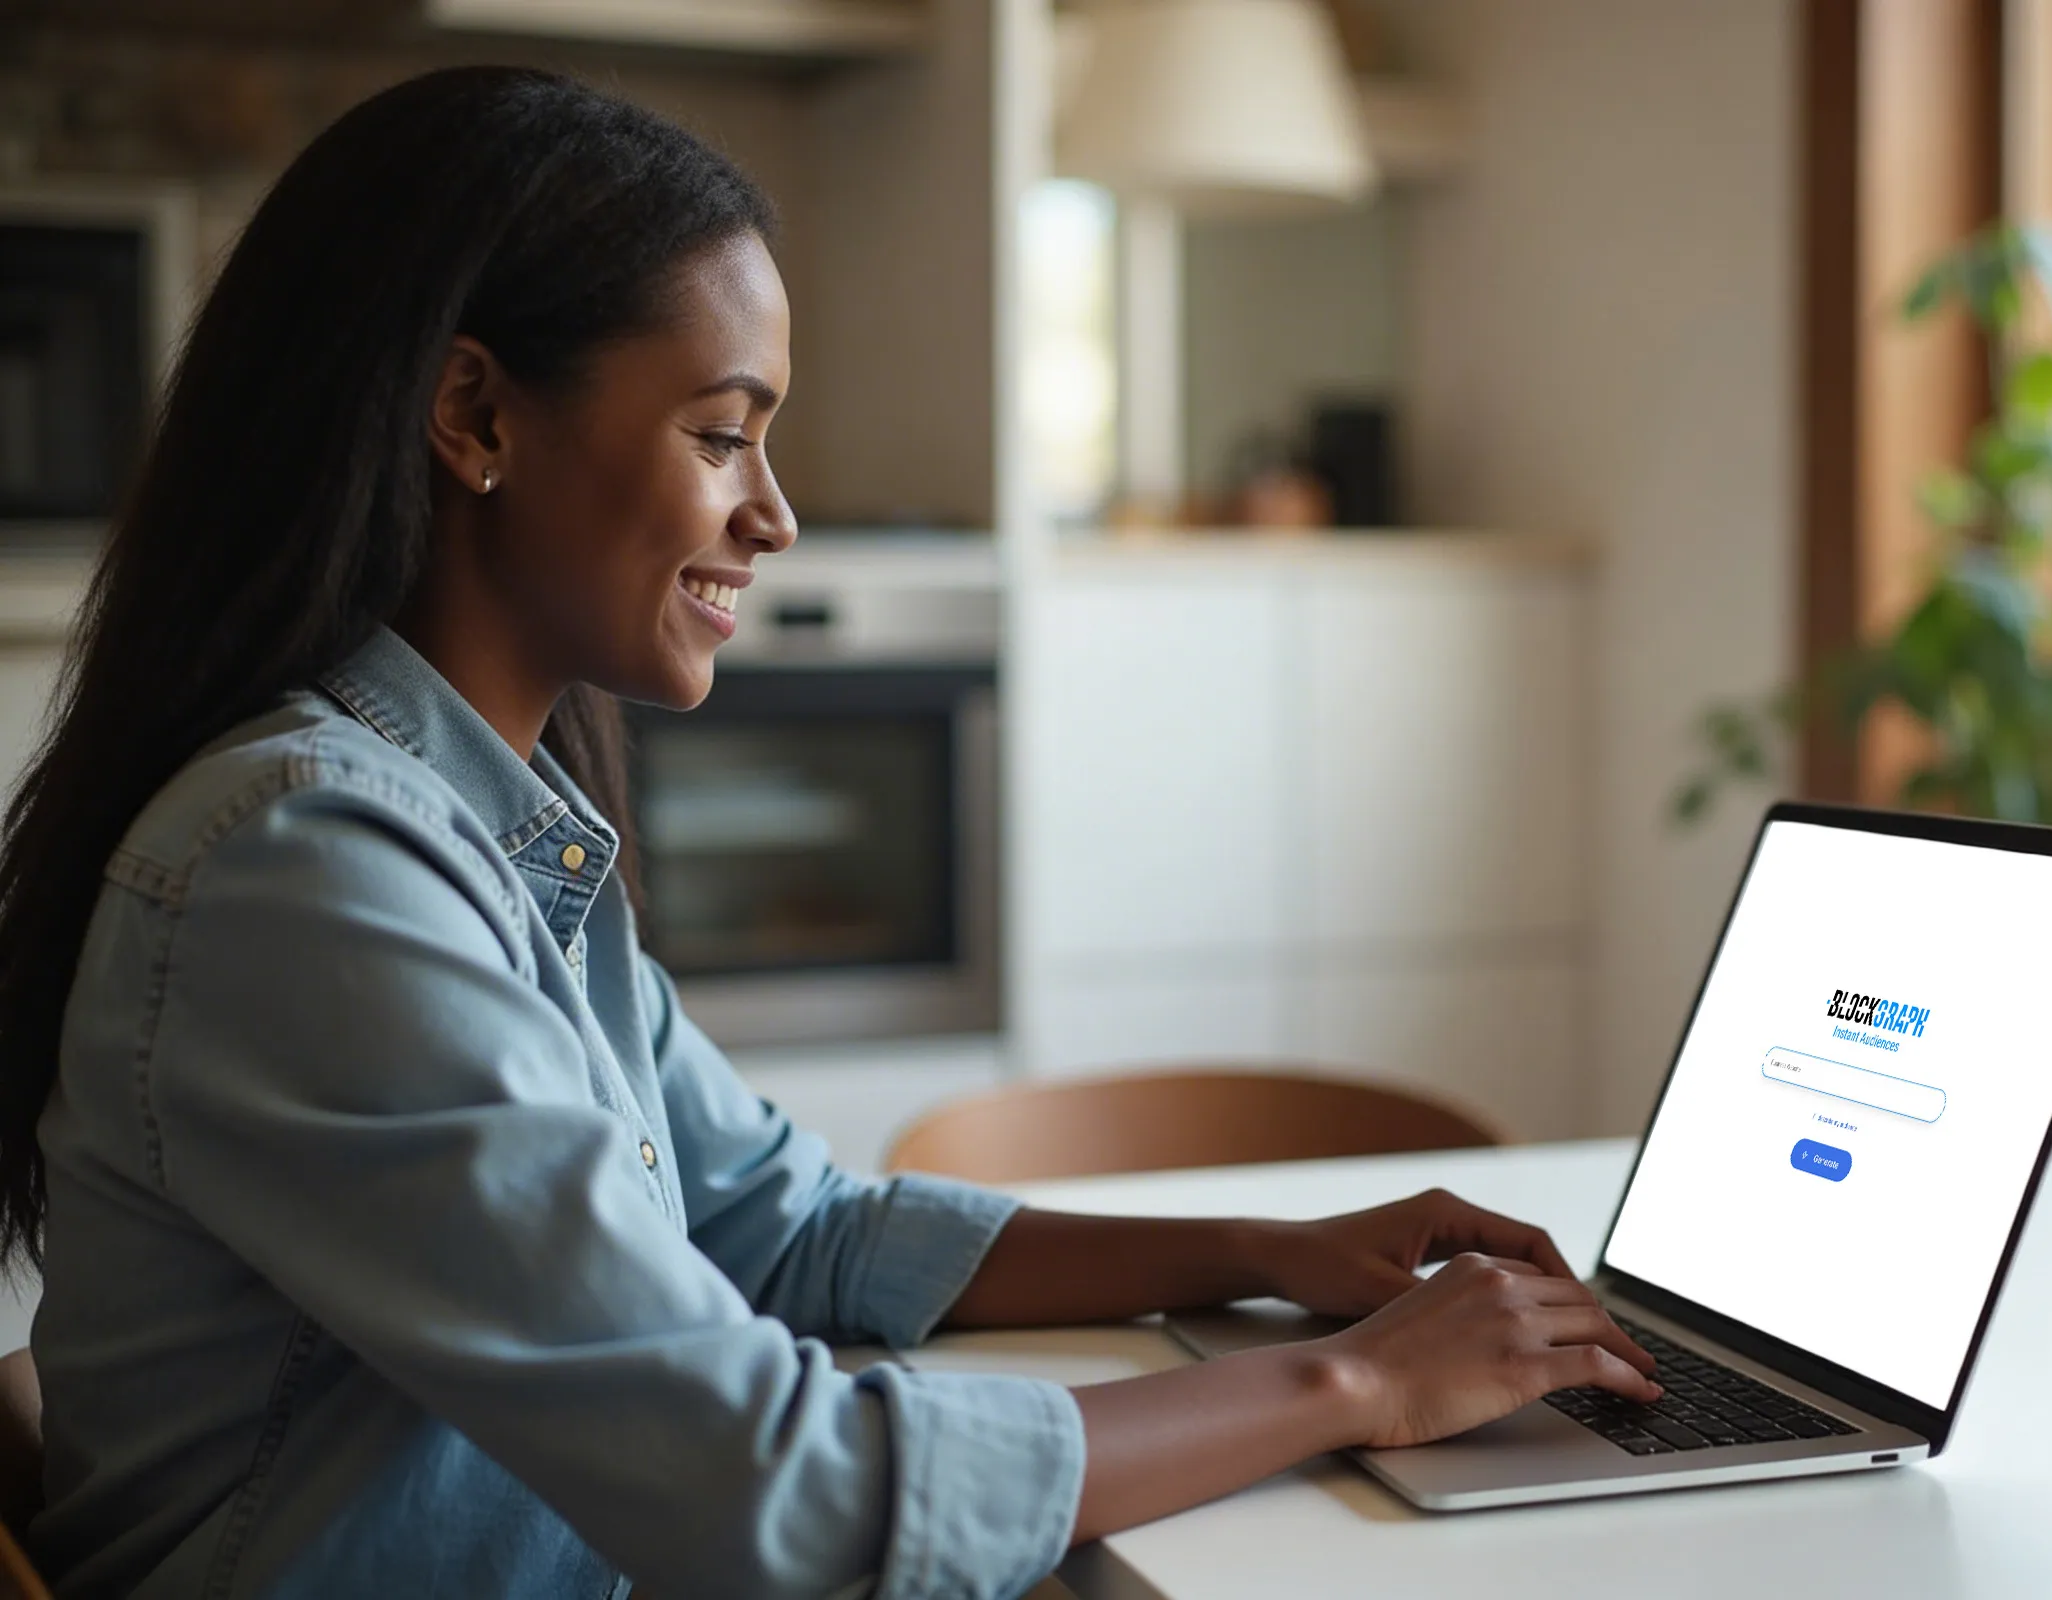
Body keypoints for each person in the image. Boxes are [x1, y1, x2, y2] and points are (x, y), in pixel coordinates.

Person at [0, 68, 1659, 1599]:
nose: (773, 512)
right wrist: (1354, 1382)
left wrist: (1265, 1250)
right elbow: (774, 1491)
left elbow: (789, 1227)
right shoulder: (315, 873)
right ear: (477, 417)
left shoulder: (478, 836)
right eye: (722, 433)